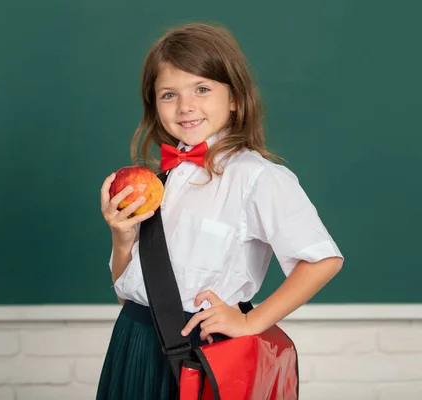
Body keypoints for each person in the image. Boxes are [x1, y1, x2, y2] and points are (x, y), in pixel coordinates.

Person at [96, 22, 344, 400]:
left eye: (202, 89)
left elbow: (323, 259)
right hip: (133, 340)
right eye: (168, 94)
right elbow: (128, 295)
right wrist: (122, 236)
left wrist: (251, 321)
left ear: (234, 98)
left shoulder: (257, 178)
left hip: (199, 351)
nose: (185, 106)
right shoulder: (161, 181)